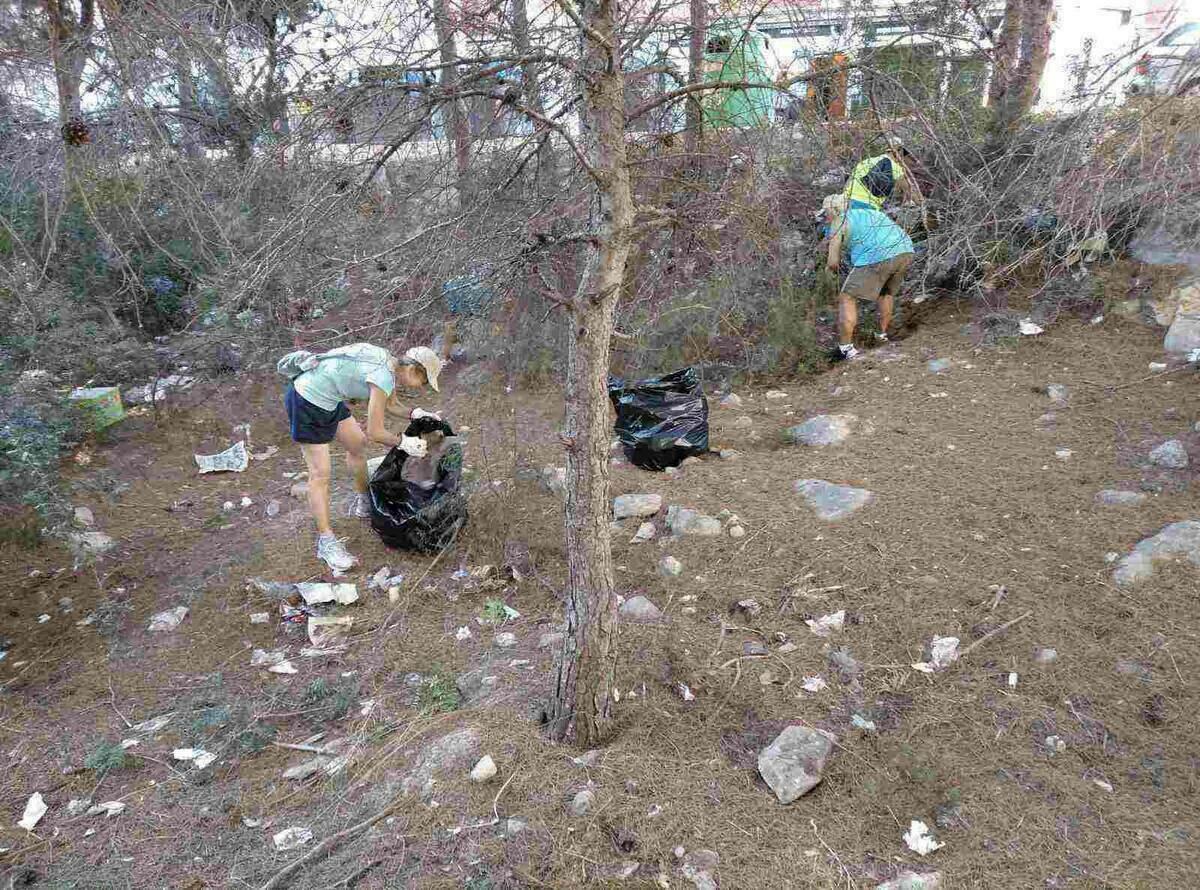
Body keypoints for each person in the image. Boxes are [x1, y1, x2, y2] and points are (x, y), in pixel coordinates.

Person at [284, 343, 443, 572]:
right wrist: (404, 443)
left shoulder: (389, 363)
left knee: (357, 444)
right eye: (424, 381)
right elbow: (375, 432)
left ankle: (363, 501)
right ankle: (326, 542)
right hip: (307, 400)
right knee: (320, 474)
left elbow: (391, 404)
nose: (422, 387)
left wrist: (416, 413)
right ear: (412, 370)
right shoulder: (384, 376)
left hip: (329, 397)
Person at [820, 193, 914, 361]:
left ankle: (846, 349)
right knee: (885, 293)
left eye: (825, 213)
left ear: (832, 211)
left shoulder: (838, 222)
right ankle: (881, 335)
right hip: (905, 250)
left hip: (877, 256)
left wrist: (829, 275)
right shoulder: (870, 212)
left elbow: (833, 262)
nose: (825, 217)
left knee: (847, 297)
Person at [843, 136, 925, 217]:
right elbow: (910, 191)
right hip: (867, 207)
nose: (902, 158)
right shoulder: (895, 167)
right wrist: (923, 205)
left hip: (845, 203)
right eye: (903, 154)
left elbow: (847, 184)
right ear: (899, 151)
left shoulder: (865, 162)